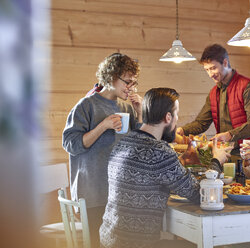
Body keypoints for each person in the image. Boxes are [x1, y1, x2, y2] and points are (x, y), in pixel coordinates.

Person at [99, 88, 231, 248]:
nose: (177, 120)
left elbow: (152, 173)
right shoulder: (160, 151)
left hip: (109, 240)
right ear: (167, 117)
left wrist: (181, 160)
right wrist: (217, 160)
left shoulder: (124, 142)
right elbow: (200, 195)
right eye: (176, 115)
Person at [62, 53, 142, 248]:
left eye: (134, 83)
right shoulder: (86, 105)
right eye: (128, 82)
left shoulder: (126, 107)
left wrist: (139, 112)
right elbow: (70, 144)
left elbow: (138, 143)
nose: (131, 87)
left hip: (119, 193)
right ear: (112, 77)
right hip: (93, 193)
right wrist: (102, 126)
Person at [176, 44, 250, 160]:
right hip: (228, 153)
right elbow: (201, 123)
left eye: (213, 68)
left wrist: (229, 135)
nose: (210, 74)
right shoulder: (213, 93)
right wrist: (182, 130)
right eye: (207, 70)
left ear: (225, 63)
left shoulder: (248, 86)